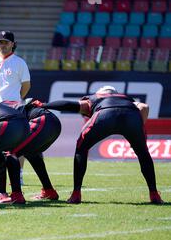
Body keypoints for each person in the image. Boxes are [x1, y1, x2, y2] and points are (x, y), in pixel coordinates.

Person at [34, 85, 164, 204]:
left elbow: (68, 105)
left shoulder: (96, 97)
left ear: (101, 93)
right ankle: (154, 194)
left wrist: (44, 105)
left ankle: (76, 194)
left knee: (81, 147)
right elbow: (144, 107)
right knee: (143, 153)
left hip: (105, 115)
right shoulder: (126, 98)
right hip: (130, 116)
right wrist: (137, 133)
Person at [0, 30, 32, 189]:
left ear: (13, 44)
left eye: (6, 42)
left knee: (16, 144)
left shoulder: (19, 62)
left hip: (11, 106)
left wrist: (16, 99)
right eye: (0, 42)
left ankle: (17, 176)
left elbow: (26, 85)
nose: (2, 45)